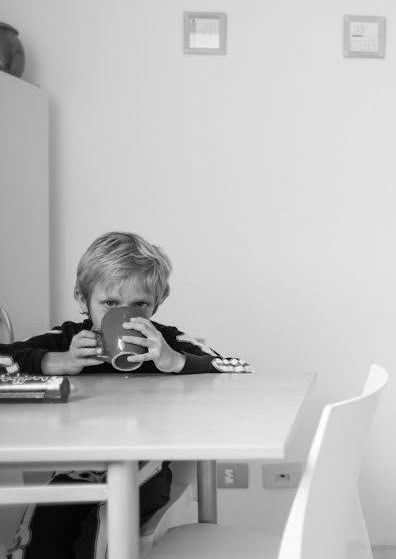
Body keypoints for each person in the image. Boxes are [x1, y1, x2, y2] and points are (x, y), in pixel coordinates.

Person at [0, 231, 251, 559]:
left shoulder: (163, 341)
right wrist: (56, 361)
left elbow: (238, 370)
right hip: (77, 468)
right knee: (42, 534)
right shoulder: (68, 339)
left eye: (140, 305)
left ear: (156, 304)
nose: (126, 315)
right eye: (110, 304)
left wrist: (175, 361)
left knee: (103, 534)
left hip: (143, 468)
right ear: (81, 298)